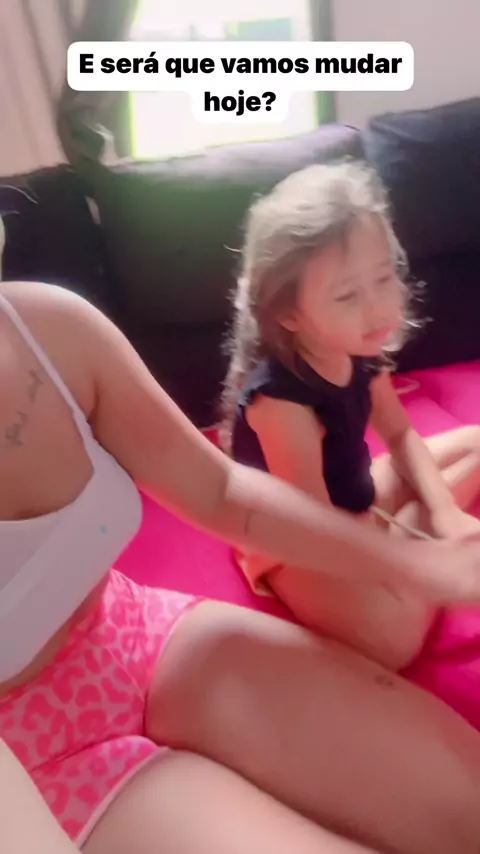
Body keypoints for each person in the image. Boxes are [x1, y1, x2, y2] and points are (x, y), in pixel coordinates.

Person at [3, 238, 480, 853]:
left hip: (127, 634)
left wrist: (412, 565)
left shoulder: (49, 328)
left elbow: (222, 490)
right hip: (28, 755)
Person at [224, 161, 480, 669]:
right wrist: (417, 560)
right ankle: (415, 534)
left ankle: (421, 526)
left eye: (384, 278)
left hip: (351, 500)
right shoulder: (281, 403)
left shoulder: (359, 346)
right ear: (289, 314)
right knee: (391, 640)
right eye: (347, 295)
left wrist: (445, 513)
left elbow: (399, 434)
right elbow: (313, 525)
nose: (379, 308)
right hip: (296, 539)